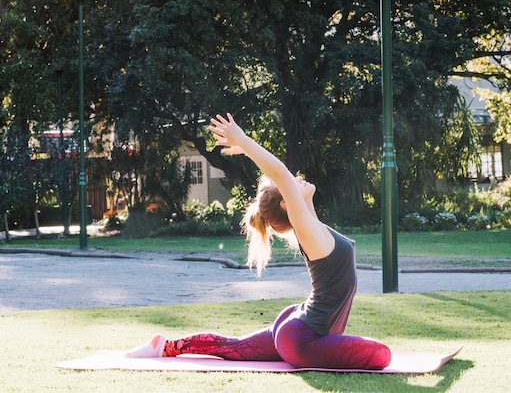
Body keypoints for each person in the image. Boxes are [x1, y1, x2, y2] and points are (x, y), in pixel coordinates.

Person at [124, 113, 391, 369]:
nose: (297, 178)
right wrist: (244, 141)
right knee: (382, 355)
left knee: (232, 348)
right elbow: (282, 173)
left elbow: (284, 178)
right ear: (287, 203)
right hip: (304, 337)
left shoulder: (312, 225)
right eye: (289, 184)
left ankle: (165, 346)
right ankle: (164, 347)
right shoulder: (306, 228)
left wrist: (248, 149)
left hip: (300, 325)